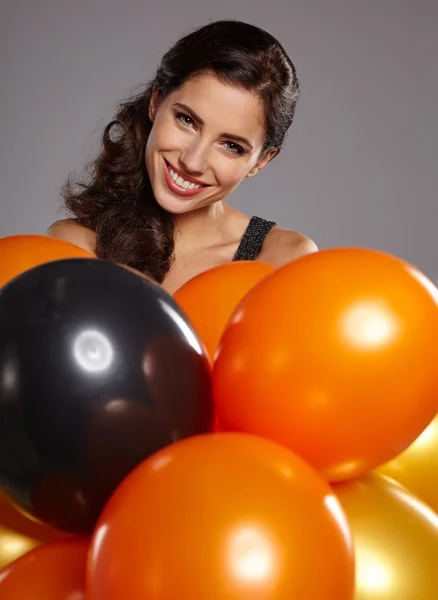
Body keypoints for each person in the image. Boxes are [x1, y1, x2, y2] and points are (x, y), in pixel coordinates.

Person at [47, 19, 317, 295]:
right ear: (156, 101)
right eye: (186, 120)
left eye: (232, 146)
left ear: (262, 160)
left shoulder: (282, 260)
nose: (193, 162)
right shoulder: (77, 243)